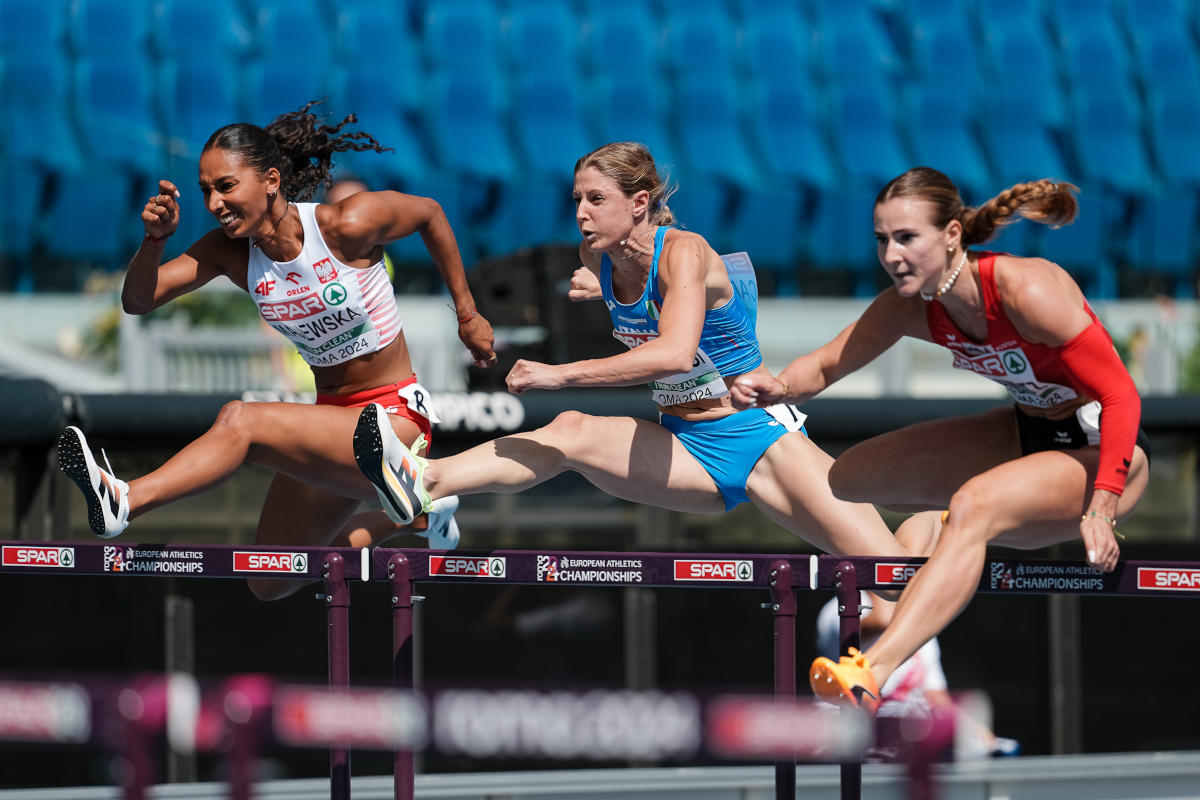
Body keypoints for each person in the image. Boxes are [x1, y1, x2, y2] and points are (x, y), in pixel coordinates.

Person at [349, 141, 934, 566]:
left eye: (595, 199)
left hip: (758, 437)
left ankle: (943, 525)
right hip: (683, 444)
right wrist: (594, 288)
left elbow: (677, 354)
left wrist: (561, 373)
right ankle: (427, 482)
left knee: (891, 575)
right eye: (575, 198)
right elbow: (622, 304)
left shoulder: (686, 252)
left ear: (639, 203)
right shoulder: (598, 260)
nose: (579, 212)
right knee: (571, 433)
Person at [731, 167, 1150, 710]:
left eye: (907, 238)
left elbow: (1123, 397)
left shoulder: (1025, 289)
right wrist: (778, 386)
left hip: (1101, 457)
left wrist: (1102, 505)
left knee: (973, 503)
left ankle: (872, 672)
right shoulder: (910, 307)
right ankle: (946, 536)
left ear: (952, 235)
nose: (891, 255)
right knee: (851, 477)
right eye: (882, 240)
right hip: (1027, 434)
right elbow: (830, 363)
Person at [56, 101, 495, 598]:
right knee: (269, 577)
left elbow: (431, 215)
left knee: (241, 419)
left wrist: (467, 314)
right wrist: (154, 241)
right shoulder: (229, 252)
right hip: (333, 421)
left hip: (394, 422)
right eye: (205, 191)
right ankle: (419, 519)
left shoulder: (345, 224)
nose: (215, 203)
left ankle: (125, 499)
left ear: (270, 180)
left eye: (226, 186)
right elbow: (137, 300)